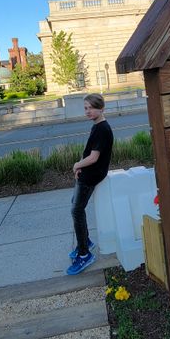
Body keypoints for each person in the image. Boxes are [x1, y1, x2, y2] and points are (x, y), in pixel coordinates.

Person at [67, 93, 113, 275]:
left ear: (101, 108)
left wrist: (77, 165)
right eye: (86, 108)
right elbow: (90, 154)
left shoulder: (102, 129)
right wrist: (81, 166)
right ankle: (85, 241)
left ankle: (84, 254)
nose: (88, 111)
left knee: (76, 210)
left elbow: (93, 158)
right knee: (76, 205)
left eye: (91, 108)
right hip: (88, 173)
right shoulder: (97, 126)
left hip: (91, 176)